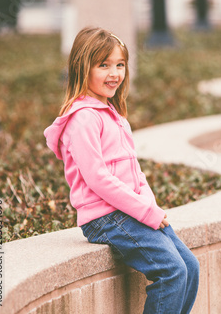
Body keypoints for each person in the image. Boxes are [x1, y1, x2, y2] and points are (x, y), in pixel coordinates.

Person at [44, 27, 199, 314]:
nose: (114, 73)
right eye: (103, 65)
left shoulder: (114, 116)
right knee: (173, 271)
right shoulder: (83, 119)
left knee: (190, 266)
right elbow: (98, 179)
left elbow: (135, 172)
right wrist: (145, 212)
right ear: (82, 67)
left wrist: (150, 206)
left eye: (120, 64)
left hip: (128, 211)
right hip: (104, 217)